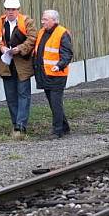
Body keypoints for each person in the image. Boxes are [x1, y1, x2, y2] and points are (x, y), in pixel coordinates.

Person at [0, 0, 37, 139]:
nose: (10, 12)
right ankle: (16, 123)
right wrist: (1, 49)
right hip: (6, 65)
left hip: (22, 65)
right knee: (11, 96)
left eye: (13, 9)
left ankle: (21, 125)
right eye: (8, 9)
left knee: (23, 94)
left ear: (18, 10)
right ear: (5, 10)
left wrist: (20, 48)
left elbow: (32, 38)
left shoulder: (27, 22)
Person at [33, 9, 73, 138]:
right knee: (52, 102)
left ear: (54, 20)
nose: (42, 21)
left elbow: (67, 54)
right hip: (45, 74)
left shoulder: (62, 33)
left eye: (45, 19)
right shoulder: (42, 32)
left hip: (57, 74)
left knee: (55, 102)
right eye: (42, 19)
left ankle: (57, 130)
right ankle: (64, 126)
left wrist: (59, 65)